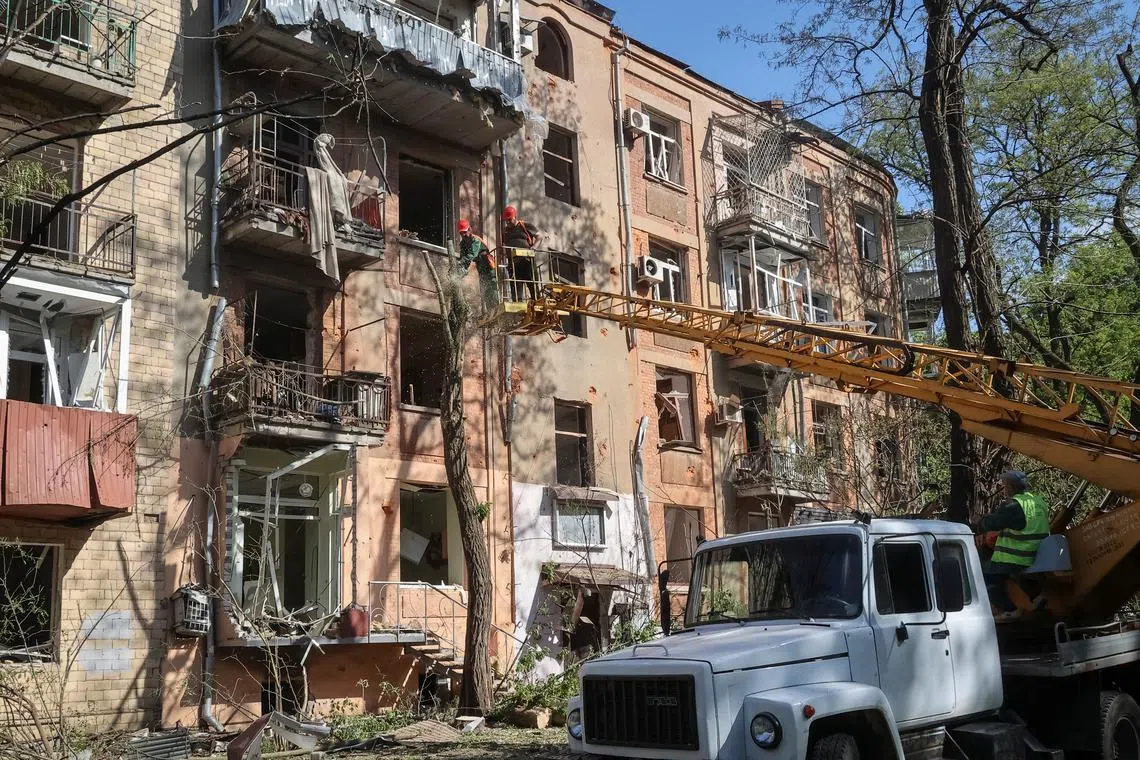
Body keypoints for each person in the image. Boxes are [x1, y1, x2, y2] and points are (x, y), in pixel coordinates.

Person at [976, 470, 1050, 616]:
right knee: (1015, 573)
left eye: (1004, 486)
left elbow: (994, 523)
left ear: (1010, 486)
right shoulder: (1038, 501)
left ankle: (1009, 610)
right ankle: (1037, 597)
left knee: (983, 576)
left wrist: (980, 521)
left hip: (1018, 555)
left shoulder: (1013, 505)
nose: (1003, 489)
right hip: (1037, 554)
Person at [456, 219, 497, 310]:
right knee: (484, 288)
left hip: (488, 264)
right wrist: (462, 268)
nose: (463, 235)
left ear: (470, 229)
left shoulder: (476, 240)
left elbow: (472, 254)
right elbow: (463, 258)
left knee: (492, 286)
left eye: (465, 232)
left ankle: (496, 307)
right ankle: (490, 310)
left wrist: (461, 263)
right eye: (461, 233)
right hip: (480, 265)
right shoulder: (463, 244)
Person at [501, 205, 539, 301]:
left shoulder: (525, 226)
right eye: (506, 220)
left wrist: (534, 247)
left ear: (515, 217)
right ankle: (517, 308)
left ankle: (536, 301)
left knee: (532, 284)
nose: (508, 222)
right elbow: (504, 245)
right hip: (513, 263)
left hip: (527, 261)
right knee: (515, 287)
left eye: (510, 219)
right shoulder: (505, 231)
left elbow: (539, 236)